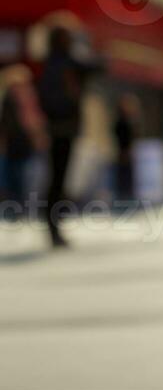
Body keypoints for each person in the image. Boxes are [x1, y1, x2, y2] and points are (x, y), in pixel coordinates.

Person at [34, 26, 92, 248]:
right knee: (57, 180)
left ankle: (55, 225)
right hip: (60, 129)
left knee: (59, 179)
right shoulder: (60, 64)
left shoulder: (58, 63)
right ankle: (53, 226)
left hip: (62, 128)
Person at [0, 65, 47, 219]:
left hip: (24, 144)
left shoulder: (27, 97)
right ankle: (17, 209)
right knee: (16, 178)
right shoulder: (10, 98)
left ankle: (22, 209)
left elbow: (35, 121)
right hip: (16, 144)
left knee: (24, 179)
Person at [111, 93, 140, 211]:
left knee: (127, 181)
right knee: (123, 181)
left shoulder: (127, 122)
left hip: (125, 155)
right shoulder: (121, 122)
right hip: (122, 155)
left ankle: (126, 204)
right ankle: (123, 205)